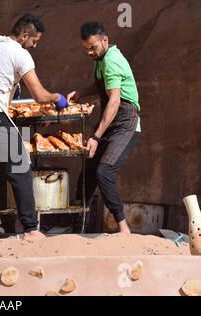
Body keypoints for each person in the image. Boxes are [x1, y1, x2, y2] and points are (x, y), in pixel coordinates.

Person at [0, 13, 72, 241]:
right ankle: (31, 229)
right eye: (34, 41)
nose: (35, 46)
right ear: (24, 36)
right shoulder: (21, 54)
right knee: (20, 168)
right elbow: (39, 95)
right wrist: (57, 97)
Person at [73, 22, 141, 234]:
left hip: (125, 123)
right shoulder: (100, 59)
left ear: (105, 40)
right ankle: (78, 226)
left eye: (93, 47)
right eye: (86, 49)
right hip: (111, 122)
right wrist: (80, 93)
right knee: (88, 173)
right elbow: (101, 85)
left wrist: (95, 136)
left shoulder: (111, 60)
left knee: (104, 171)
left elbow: (113, 101)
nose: (90, 52)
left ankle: (123, 229)